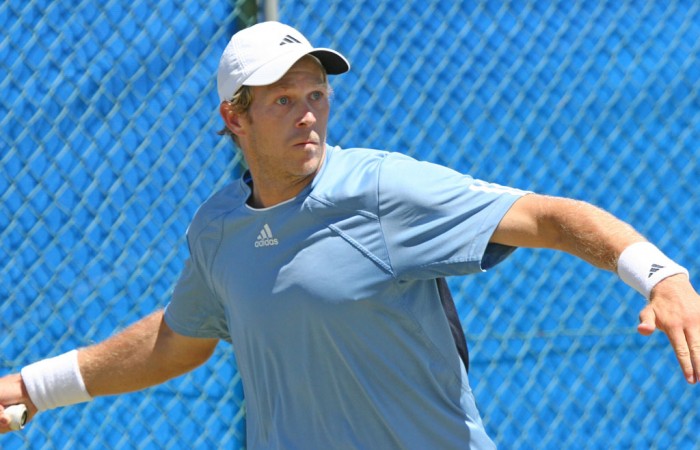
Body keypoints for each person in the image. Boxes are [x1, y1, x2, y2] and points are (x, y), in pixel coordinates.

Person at [1, 20, 699, 449]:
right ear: (234, 119)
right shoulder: (217, 229)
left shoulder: (381, 189)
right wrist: (33, 388)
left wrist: (659, 274)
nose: (307, 113)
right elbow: (175, 341)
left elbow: (544, 216)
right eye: (282, 99)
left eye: (315, 94)